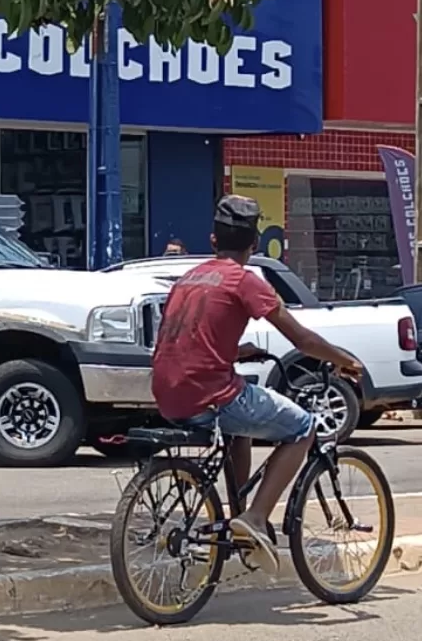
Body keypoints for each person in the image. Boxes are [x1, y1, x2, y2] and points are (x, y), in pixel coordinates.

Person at [151, 194, 363, 572]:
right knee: (303, 427)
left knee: (241, 427)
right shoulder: (245, 282)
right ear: (255, 244)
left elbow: (185, 340)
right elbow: (303, 340)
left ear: (213, 240)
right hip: (212, 395)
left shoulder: (188, 277)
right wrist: (345, 360)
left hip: (167, 391)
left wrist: (234, 350)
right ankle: (255, 518)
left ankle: (240, 515)